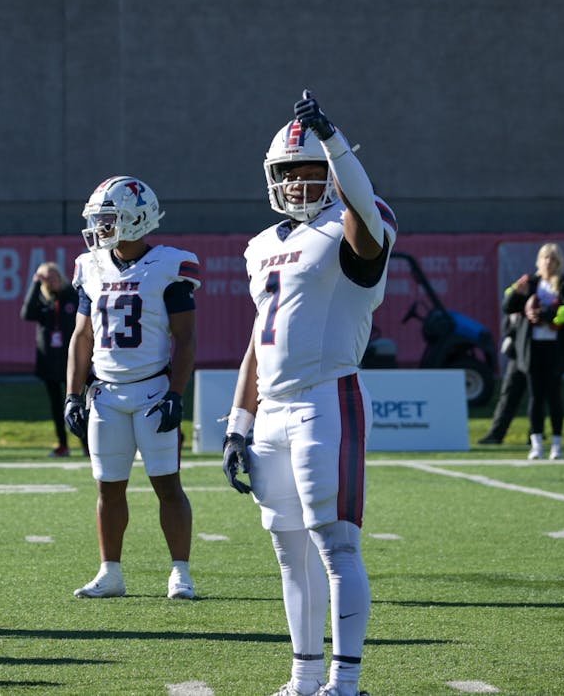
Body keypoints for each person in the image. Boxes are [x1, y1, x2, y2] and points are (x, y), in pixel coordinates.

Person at [222, 90, 396, 696]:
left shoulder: (351, 224)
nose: (298, 183)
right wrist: (237, 423)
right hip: (271, 410)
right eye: (288, 172)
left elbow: (367, 227)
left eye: (311, 169)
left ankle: (345, 685)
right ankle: (303, 677)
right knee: (287, 550)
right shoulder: (261, 245)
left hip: (329, 398)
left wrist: (334, 141)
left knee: (336, 543)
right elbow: (256, 341)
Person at [64, 176, 199, 602]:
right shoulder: (90, 265)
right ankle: (111, 572)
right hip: (105, 393)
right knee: (108, 486)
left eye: (109, 217)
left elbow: (187, 338)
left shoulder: (169, 265)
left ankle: (180, 571)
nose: (101, 226)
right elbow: (81, 337)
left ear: (136, 218)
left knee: (167, 484)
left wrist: (176, 394)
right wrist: (72, 393)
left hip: (152, 391)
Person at [501, 244, 564, 460]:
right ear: (538, 261)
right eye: (545, 258)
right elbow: (507, 305)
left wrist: (547, 315)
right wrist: (517, 294)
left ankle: (557, 443)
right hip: (532, 348)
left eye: (553, 259)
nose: (549, 262)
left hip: (554, 349)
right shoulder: (529, 283)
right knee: (535, 397)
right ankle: (536, 443)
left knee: (554, 396)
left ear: (559, 263)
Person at [21, 261, 80, 456]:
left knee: (78, 402)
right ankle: (63, 444)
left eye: (53, 276)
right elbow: (26, 314)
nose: (51, 281)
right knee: (56, 406)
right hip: (50, 362)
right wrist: (35, 283)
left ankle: (87, 444)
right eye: (46, 278)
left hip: (71, 360)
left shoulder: (72, 295)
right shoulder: (42, 300)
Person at [477, 310, 530, 445]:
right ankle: (496, 434)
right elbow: (507, 329)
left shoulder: (542, 296)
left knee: (538, 397)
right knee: (508, 394)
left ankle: (536, 434)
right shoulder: (515, 298)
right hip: (517, 355)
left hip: (535, 354)